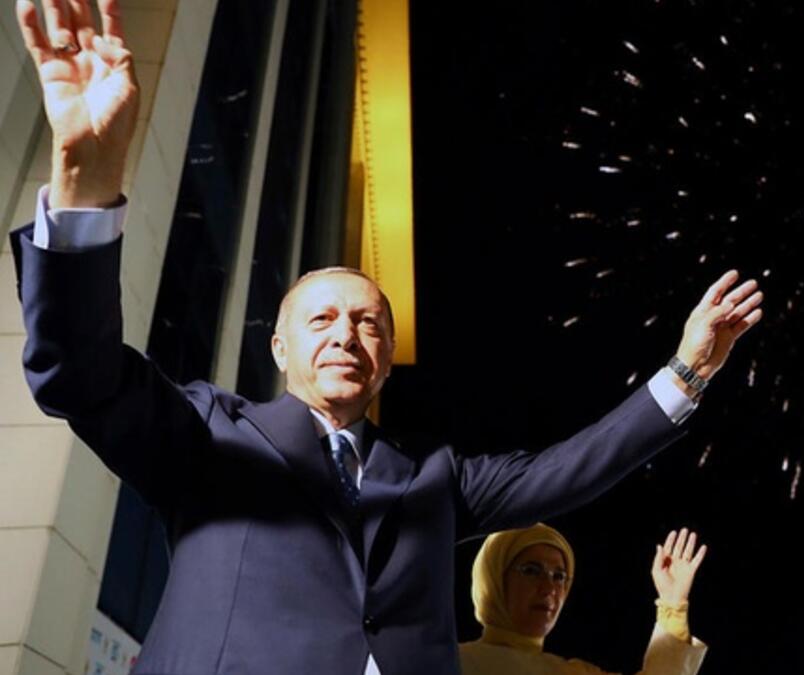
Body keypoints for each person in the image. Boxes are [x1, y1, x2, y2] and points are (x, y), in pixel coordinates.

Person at [9, 1, 764, 673]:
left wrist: (687, 370)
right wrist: (87, 181)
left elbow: (571, 469)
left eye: (369, 322)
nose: (347, 334)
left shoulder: (434, 475)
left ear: (385, 360)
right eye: (323, 318)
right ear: (279, 349)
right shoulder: (207, 432)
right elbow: (80, 372)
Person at [459, 524, 709, 675]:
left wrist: (673, 604)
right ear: (493, 578)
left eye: (559, 576)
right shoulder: (445, 662)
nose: (549, 589)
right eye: (531, 570)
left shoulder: (569, 673)